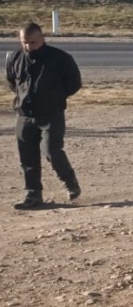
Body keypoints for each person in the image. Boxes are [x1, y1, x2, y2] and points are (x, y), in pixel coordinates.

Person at [6, 22, 82, 210]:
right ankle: (33, 194)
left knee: (51, 151)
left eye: (32, 42)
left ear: (42, 39)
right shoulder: (15, 58)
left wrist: (55, 97)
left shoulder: (60, 58)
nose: (28, 46)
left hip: (51, 114)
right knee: (28, 156)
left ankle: (70, 181)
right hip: (25, 115)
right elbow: (12, 81)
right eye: (24, 42)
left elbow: (74, 83)